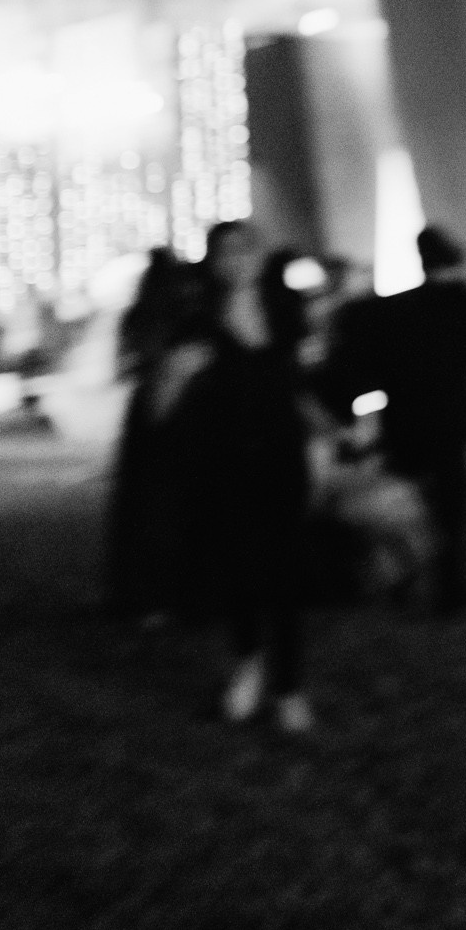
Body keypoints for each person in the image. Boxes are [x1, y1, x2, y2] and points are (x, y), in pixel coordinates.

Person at [164, 221, 316, 732]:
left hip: (282, 452)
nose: (236, 260)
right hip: (223, 456)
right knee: (240, 564)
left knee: (289, 569)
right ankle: (248, 663)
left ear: (258, 255)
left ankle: (289, 685)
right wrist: (177, 372)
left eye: (244, 249)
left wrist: (332, 433)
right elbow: (162, 402)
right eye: (224, 252)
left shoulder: (285, 307)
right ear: (212, 261)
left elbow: (300, 382)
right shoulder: (198, 315)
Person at [318, 226, 466, 617]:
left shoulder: (392, 309)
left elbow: (360, 359)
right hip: (450, 418)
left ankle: (404, 568)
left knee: (408, 501)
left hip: (403, 420)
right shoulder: (465, 303)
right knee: (451, 503)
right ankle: (449, 580)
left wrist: (343, 407)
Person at [103, 248, 202, 618]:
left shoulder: (137, 316)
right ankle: (174, 591)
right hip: (180, 411)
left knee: (143, 502)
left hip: (144, 411)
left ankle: (142, 592)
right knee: (173, 502)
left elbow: (122, 366)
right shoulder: (185, 315)